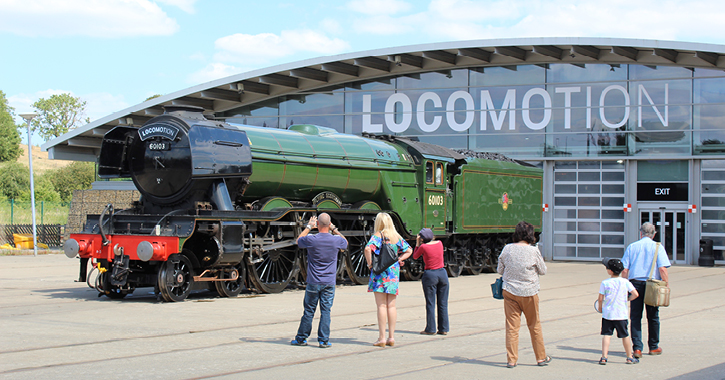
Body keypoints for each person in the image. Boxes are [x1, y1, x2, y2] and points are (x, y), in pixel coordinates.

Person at [497, 220, 551, 368]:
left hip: (510, 292)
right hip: (529, 292)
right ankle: (541, 358)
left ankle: (511, 360)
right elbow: (543, 270)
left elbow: (500, 270)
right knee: (534, 325)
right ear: (530, 235)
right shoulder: (533, 251)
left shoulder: (507, 249)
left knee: (512, 328)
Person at [291, 213, 348, 348]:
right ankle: (323, 340)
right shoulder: (335, 240)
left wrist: (309, 227)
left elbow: (298, 241)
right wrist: (334, 229)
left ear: (317, 225)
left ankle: (301, 338)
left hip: (313, 281)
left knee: (309, 311)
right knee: (326, 311)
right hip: (329, 282)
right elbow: (345, 242)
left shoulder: (312, 239)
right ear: (329, 225)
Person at [621, 222, 671, 358]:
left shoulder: (632, 247)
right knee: (653, 316)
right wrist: (665, 285)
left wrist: (625, 286)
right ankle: (653, 346)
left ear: (641, 233)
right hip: (652, 285)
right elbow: (662, 269)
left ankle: (637, 348)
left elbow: (625, 269)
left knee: (635, 316)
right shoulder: (658, 247)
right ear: (654, 233)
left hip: (635, 284)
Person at [363, 212, 413, 347]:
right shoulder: (396, 236)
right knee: (391, 305)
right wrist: (399, 259)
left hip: (379, 273)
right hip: (393, 274)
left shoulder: (378, 235)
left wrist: (370, 264)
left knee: (381, 305)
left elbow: (368, 249)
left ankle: (381, 338)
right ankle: (391, 337)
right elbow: (409, 250)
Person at [597, 257, 640, 365]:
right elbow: (635, 294)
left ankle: (604, 357)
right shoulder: (625, 282)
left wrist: (601, 308)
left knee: (607, 335)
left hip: (608, 314)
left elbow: (600, 298)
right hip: (621, 314)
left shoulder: (605, 282)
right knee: (624, 335)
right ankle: (629, 357)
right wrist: (627, 299)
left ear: (610, 271)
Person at [413, 228, 449, 335]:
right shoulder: (440, 243)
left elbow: (415, 256)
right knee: (443, 303)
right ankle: (443, 328)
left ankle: (431, 328)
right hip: (443, 274)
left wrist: (417, 244)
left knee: (430, 303)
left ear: (422, 239)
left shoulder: (423, 247)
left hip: (430, 275)